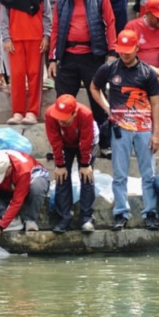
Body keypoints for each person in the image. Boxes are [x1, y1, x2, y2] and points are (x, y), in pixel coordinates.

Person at [90, 30, 159, 231]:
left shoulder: (147, 73)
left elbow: (156, 104)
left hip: (143, 128)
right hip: (119, 129)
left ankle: (150, 212)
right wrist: (107, 108)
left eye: (128, 51)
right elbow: (94, 87)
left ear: (137, 48)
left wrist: (156, 134)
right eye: (122, 51)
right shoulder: (109, 68)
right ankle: (121, 212)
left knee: (148, 173)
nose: (125, 54)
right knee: (119, 173)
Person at [48, 0, 117, 136]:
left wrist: (112, 53)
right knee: (63, 100)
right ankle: (64, 141)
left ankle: (104, 140)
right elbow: (55, 28)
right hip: (67, 56)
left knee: (98, 100)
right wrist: (52, 59)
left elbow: (110, 23)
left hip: (92, 55)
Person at [0, 0, 52, 125]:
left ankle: (32, 111)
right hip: (15, 40)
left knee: (35, 74)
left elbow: (47, 14)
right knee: (17, 75)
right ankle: (18, 111)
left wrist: (46, 36)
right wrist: (6, 38)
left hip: (36, 39)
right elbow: (4, 16)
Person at [44, 95, 98, 233]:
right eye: (59, 117)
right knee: (61, 177)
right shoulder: (50, 114)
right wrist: (60, 165)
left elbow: (86, 141)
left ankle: (86, 218)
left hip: (87, 142)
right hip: (64, 143)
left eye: (65, 117)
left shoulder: (85, 114)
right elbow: (55, 140)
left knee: (86, 177)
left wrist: (85, 164)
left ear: (74, 113)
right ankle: (64, 218)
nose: (61, 120)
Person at [0, 149, 50, 238]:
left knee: (37, 187)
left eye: (1, 175)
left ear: (9, 168)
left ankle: (29, 220)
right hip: (8, 186)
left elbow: (17, 201)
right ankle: (11, 220)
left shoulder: (23, 170)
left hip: (29, 182)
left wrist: (0, 227)